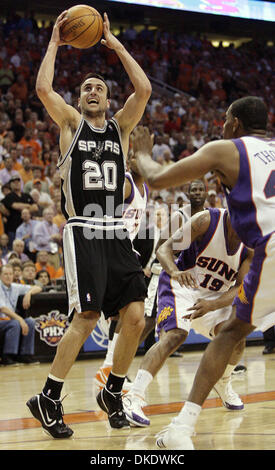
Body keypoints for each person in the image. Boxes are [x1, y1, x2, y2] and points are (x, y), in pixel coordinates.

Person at [26, 10, 151, 437]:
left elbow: (145, 88)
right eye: (86, 88)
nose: (93, 91)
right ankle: (48, 397)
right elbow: (43, 87)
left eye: (99, 87)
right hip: (83, 231)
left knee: (136, 316)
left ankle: (112, 391)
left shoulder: (121, 129)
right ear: (79, 100)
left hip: (117, 231)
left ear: (109, 99)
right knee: (87, 315)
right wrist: (56, 44)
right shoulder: (70, 124)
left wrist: (113, 43)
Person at [132, 96, 275, 449]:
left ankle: (183, 427)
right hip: (196, 285)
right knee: (231, 330)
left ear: (235, 123)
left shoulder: (227, 148)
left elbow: (160, 178)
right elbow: (167, 248)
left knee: (231, 334)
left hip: (268, 245)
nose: (222, 125)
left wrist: (142, 154)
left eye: (226, 119)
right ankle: (145, 398)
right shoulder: (206, 219)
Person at [123, 208, 252, 426]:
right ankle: (133, 396)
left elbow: (241, 287)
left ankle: (224, 380)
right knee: (175, 335)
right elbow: (164, 249)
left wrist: (213, 304)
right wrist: (174, 272)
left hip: (214, 294)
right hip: (181, 283)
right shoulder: (206, 220)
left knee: (237, 338)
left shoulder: (250, 246)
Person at [94, 147, 149, 392]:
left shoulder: (144, 188)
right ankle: (110, 368)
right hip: (112, 250)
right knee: (132, 315)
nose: (136, 160)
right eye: (133, 156)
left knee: (127, 315)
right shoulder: (126, 183)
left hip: (125, 251)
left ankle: (109, 367)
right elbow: (102, 211)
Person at [0, 264, 42, 365]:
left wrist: (29, 293)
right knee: (15, 323)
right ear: (0, 275)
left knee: (30, 322)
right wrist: (20, 319)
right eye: (5, 274)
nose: (8, 276)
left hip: (11, 320)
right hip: (2, 320)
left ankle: (25, 355)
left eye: (10, 274)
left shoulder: (15, 287)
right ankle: (8, 357)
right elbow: (3, 309)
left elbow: (39, 287)